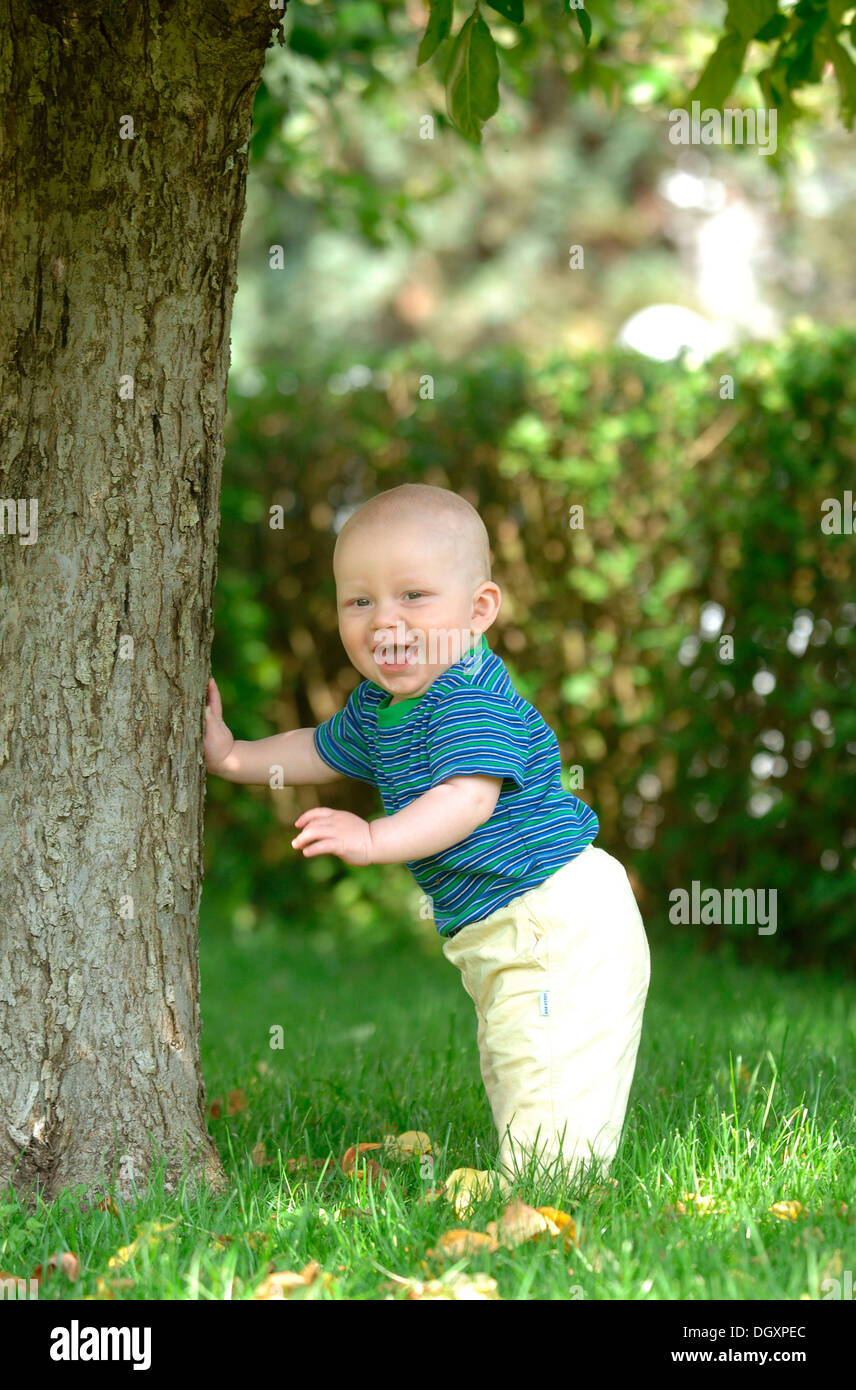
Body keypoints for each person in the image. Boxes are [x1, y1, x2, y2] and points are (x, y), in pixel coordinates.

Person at [204, 483, 651, 1189]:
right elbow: (316, 750)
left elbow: (465, 802)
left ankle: (546, 1205)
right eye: (360, 601)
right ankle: (534, 1181)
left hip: (552, 918)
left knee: (550, 1068)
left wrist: (374, 838)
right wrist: (233, 756)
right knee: (520, 1058)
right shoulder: (384, 707)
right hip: (509, 924)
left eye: (413, 596)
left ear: (478, 612)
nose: (385, 621)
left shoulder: (467, 691)